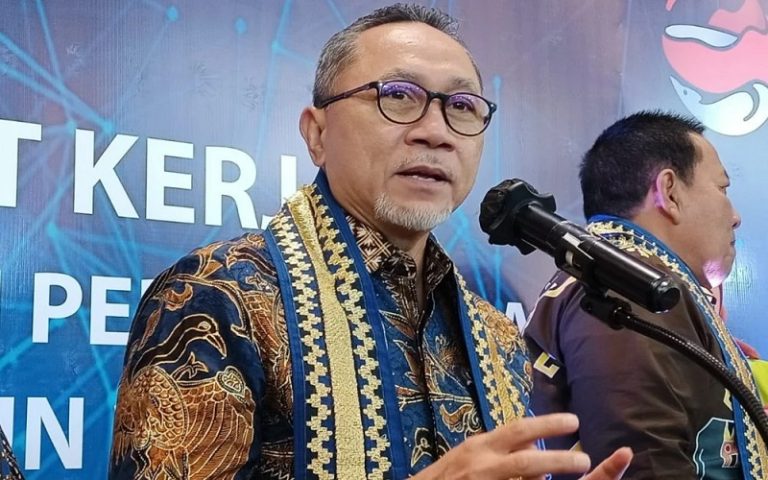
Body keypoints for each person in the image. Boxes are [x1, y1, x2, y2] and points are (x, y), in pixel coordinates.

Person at [108, 4, 632, 479]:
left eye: (462, 105)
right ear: (317, 134)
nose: (437, 131)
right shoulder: (218, 296)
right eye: (398, 96)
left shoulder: (495, 336)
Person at [524, 110, 768, 479]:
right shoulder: (631, 287)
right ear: (669, 192)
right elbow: (646, 467)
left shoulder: (622, 277)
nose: (735, 216)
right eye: (722, 189)